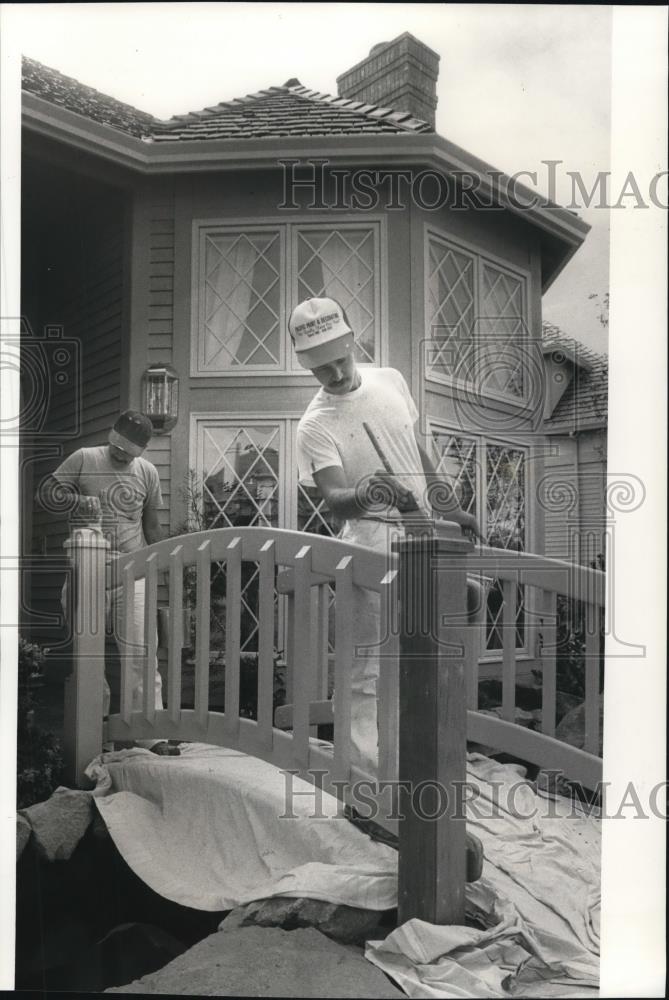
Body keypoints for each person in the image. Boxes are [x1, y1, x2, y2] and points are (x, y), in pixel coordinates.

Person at [290, 297, 483, 774]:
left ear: (353, 342)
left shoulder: (389, 380)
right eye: (321, 369)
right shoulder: (315, 425)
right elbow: (333, 496)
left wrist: (451, 506)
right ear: (306, 366)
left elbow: (415, 448)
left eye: (340, 359)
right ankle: (363, 782)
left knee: (431, 649)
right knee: (365, 666)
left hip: (422, 533)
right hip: (370, 538)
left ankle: (419, 764)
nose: (335, 375)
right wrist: (369, 490)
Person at [41, 410, 165, 719]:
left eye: (129, 454)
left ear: (141, 451)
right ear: (112, 437)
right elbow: (44, 493)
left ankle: (149, 734)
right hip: (88, 570)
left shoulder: (148, 472)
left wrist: (167, 566)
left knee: (141, 654)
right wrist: (75, 501)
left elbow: (151, 527)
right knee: (89, 655)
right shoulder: (84, 458)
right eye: (117, 449)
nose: (121, 456)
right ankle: (95, 729)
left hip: (133, 571)